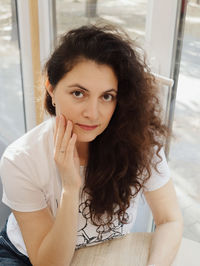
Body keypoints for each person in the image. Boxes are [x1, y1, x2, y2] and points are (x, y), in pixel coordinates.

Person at [0, 24, 183, 266]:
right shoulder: (21, 159)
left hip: (102, 256)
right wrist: (70, 187)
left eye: (107, 96)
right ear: (51, 89)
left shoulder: (138, 143)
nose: (92, 113)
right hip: (26, 257)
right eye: (78, 93)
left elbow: (170, 219)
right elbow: (49, 264)